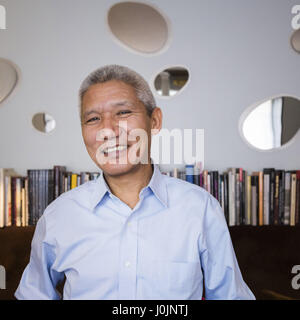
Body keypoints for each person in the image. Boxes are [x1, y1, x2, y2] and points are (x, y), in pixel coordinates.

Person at [15, 65, 255, 300]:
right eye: (93, 118)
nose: (107, 130)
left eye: (123, 113)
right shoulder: (59, 215)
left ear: (155, 121)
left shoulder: (201, 209)